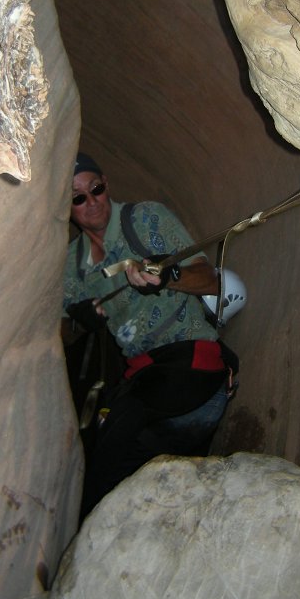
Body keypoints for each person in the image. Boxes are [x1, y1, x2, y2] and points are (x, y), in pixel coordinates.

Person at [63, 151, 238, 517]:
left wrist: (168, 277)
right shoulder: (71, 267)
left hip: (190, 365)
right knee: (124, 465)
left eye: (96, 189)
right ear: (67, 208)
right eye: (78, 198)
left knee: (111, 464)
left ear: (106, 184)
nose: (92, 202)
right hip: (143, 380)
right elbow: (57, 334)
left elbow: (209, 279)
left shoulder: (145, 220)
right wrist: (80, 320)